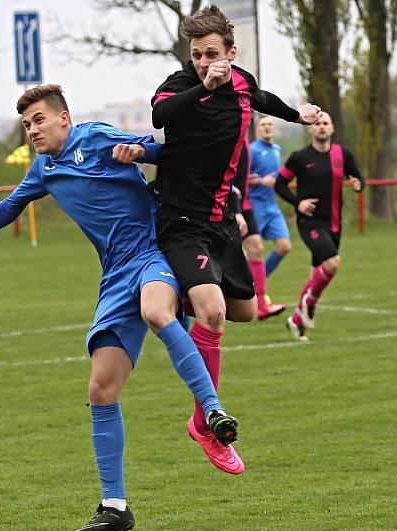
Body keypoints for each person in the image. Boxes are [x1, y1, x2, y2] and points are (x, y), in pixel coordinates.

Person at [0, 85, 243, 531]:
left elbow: (164, 150)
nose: (32, 130)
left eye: (38, 120)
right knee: (101, 389)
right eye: (26, 125)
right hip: (115, 275)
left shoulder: (94, 136)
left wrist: (141, 149)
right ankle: (114, 504)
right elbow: (7, 208)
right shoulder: (44, 170)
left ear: (63, 118)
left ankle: (212, 413)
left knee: (157, 311)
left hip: (154, 251)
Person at [150, 4, 321, 449]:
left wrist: (296, 115)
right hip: (181, 217)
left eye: (211, 54)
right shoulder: (182, 84)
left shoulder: (242, 80)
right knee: (213, 312)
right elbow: (160, 116)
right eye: (197, 54)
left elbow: (260, 98)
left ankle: (173, 298)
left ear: (232, 52)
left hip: (223, 221)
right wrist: (203, 86)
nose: (204, 62)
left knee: (242, 310)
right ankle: (206, 421)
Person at [274, 112, 364, 341]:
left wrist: (357, 184)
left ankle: (295, 321)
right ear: (311, 129)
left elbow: (359, 177)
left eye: (326, 123)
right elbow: (280, 184)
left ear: (332, 128)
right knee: (332, 262)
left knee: (319, 274)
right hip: (309, 222)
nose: (321, 127)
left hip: (334, 223)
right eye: (317, 123)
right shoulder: (300, 157)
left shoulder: (342, 154)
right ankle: (309, 304)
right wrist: (298, 203)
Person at [234, 138, 286, 320]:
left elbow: (240, 172)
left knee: (256, 248)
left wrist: (249, 181)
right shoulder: (226, 132)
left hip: (244, 204)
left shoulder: (244, 139)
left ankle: (262, 303)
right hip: (224, 202)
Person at [249, 116, 292, 283]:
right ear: (258, 130)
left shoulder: (276, 149)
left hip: (272, 206)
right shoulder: (252, 150)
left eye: (270, 124)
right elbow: (242, 177)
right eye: (263, 125)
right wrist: (260, 181)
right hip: (255, 205)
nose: (267, 127)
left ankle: (257, 282)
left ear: (274, 129)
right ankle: (241, 288)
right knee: (252, 251)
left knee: (284, 246)